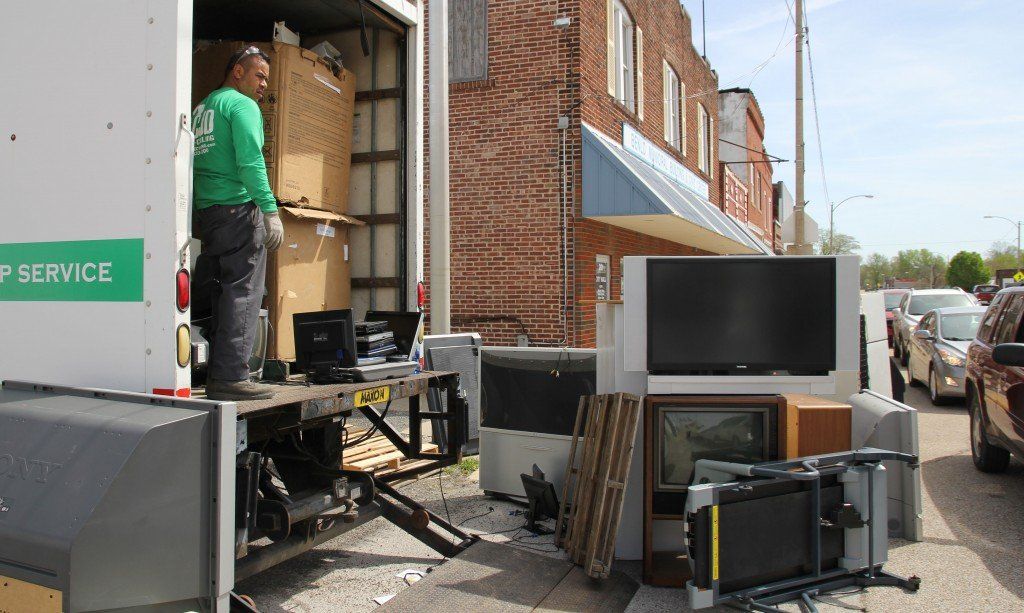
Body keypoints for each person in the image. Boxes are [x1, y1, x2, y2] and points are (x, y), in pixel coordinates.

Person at [192, 46, 284, 401]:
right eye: (259, 75)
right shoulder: (242, 105)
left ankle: (217, 374)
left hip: (209, 212)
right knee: (243, 292)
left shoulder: (203, 107)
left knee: (221, 293)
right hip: (238, 209)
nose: (264, 85)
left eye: (266, 79)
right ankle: (232, 377)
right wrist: (270, 210)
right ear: (238, 72)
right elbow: (250, 162)